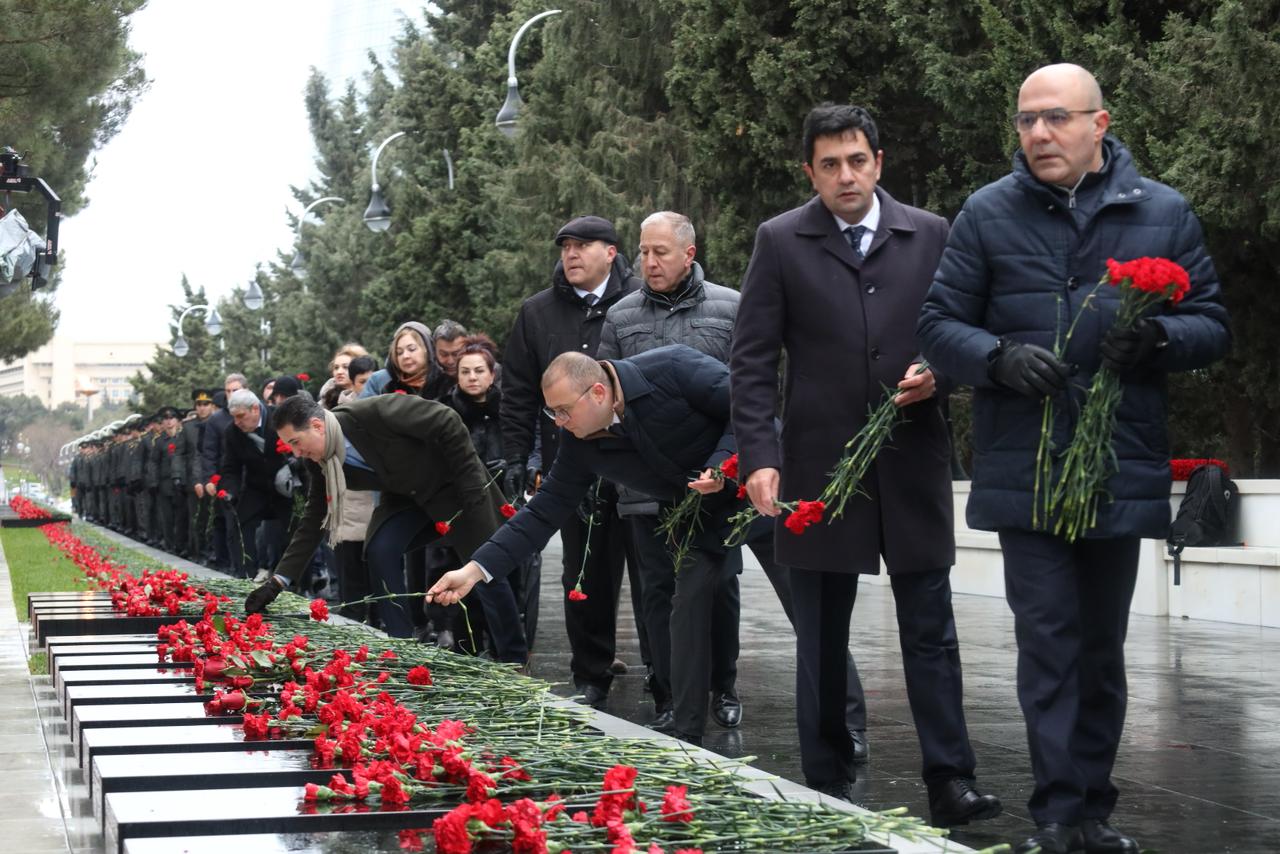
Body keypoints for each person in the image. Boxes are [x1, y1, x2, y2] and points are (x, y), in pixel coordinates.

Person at [917, 64, 1230, 854]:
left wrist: (1160, 337)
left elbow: (1214, 324)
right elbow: (937, 324)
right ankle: (1057, 814)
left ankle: (1094, 807)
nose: (1038, 134)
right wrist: (996, 359)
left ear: (1100, 123)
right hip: (1027, 466)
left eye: (1055, 118)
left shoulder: (1162, 210)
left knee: (1099, 649)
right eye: (1025, 120)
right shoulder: (987, 213)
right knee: (1048, 642)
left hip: (1116, 462)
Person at [729, 103, 1001, 820]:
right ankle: (826, 775)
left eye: (857, 161)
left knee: (931, 627)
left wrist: (941, 374)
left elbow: (966, 333)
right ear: (809, 172)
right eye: (829, 165)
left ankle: (950, 778)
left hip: (912, 460)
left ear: (879, 163)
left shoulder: (932, 234)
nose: (845, 176)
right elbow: (752, 360)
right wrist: (759, 454)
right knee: (820, 633)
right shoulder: (780, 241)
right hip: (817, 467)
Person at [596, 211, 874, 741]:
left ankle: (846, 721)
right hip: (678, 493)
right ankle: (682, 720)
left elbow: (755, 395)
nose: (649, 262)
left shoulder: (731, 306)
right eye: (644, 252)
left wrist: (733, 464)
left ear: (689, 254)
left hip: (752, 481)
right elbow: (610, 398)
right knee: (681, 604)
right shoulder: (621, 316)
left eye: (660, 252)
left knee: (806, 600)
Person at [431, 346, 771, 744]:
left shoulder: (674, 367)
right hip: (702, 515)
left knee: (809, 608)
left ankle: (844, 722)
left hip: (767, 490)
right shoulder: (580, 440)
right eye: (551, 412)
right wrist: (473, 571)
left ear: (596, 393)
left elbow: (749, 408)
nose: (558, 423)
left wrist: (723, 461)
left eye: (563, 410)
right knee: (687, 612)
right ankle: (687, 737)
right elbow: (543, 512)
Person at [245, 394, 528, 667]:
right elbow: (315, 518)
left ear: (317, 426)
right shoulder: (321, 462)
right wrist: (277, 582)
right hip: (409, 499)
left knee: (484, 566)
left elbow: (447, 419)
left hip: (456, 490)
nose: (296, 452)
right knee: (380, 549)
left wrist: (470, 488)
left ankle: (515, 658)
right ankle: (402, 648)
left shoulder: (372, 414)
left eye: (296, 442)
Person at [500, 215, 642, 708]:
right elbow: (517, 391)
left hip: (638, 461)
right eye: (565, 246)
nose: (571, 254)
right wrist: (517, 456)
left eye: (583, 245)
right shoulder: (537, 313)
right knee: (584, 572)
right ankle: (591, 673)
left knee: (650, 573)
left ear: (611, 251)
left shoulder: (638, 301)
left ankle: (669, 680)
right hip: (572, 462)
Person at [219, 389, 291, 582]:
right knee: (239, 525)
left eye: (241, 416)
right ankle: (246, 575)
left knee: (293, 529)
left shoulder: (280, 418)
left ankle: (294, 580)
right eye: (233, 417)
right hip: (256, 485)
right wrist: (229, 491)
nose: (237, 422)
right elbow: (231, 468)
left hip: (285, 486)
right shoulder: (232, 432)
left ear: (255, 409)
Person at [202, 374, 247, 573]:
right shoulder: (216, 420)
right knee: (231, 525)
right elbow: (209, 452)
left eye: (235, 390)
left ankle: (253, 566)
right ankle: (237, 567)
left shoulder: (254, 410)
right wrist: (209, 478)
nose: (231, 395)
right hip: (228, 480)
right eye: (228, 391)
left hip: (254, 477)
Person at [360, 321, 452, 401]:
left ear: (427, 349)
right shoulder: (389, 389)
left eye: (412, 349)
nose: (405, 356)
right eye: (399, 352)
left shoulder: (447, 384)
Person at [185, 389, 216, 563]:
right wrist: (194, 480)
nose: (202, 408)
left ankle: (211, 552)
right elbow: (190, 456)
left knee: (212, 519)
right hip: (194, 480)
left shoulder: (218, 423)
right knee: (197, 519)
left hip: (213, 480)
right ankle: (198, 551)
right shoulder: (188, 427)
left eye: (206, 404)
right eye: (199, 404)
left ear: (212, 406)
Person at [320, 343, 369, 409]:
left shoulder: (370, 395)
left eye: (345, 367)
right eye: (336, 367)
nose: (339, 372)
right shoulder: (327, 397)